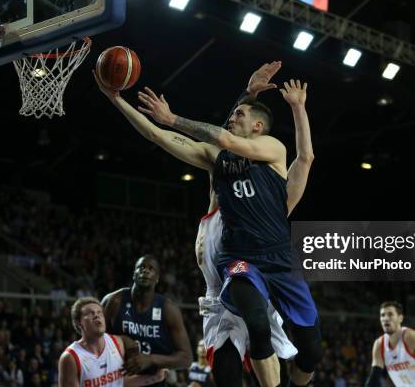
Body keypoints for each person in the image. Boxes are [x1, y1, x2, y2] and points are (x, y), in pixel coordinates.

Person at [94, 62, 318, 386]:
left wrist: (263, 99)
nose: (233, 120)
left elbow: (246, 143)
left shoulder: (273, 185)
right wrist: (116, 99)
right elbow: (165, 136)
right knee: (228, 377)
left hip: (255, 281)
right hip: (220, 298)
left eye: (242, 115)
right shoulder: (220, 178)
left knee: (272, 334)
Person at [101, 255, 193, 387]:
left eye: (151, 268)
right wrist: (121, 340)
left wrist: (151, 359)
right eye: (141, 267)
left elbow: (186, 359)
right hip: (117, 380)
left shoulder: (168, 309)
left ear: (157, 279)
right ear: (134, 274)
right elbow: (94, 341)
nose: (145, 271)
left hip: (154, 381)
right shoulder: (114, 301)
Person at [58, 296, 168, 387]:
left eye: (99, 312)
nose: (97, 315)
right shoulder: (71, 358)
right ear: (79, 323)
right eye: (90, 313)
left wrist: (154, 378)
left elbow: (120, 382)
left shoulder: (117, 343)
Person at [366, 301, 415, 387]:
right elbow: (374, 376)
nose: (386, 318)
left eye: (390, 314)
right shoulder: (379, 344)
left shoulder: (409, 337)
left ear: (400, 318)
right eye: (382, 315)